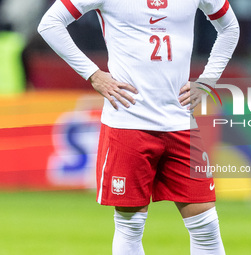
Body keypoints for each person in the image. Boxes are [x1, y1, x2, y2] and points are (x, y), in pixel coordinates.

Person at [38, 0, 239, 254]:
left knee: (206, 226)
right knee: (130, 227)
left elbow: (230, 27)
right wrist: (93, 74)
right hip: (128, 122)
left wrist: (207, 80)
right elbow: (50, 24)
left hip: (180, 121)